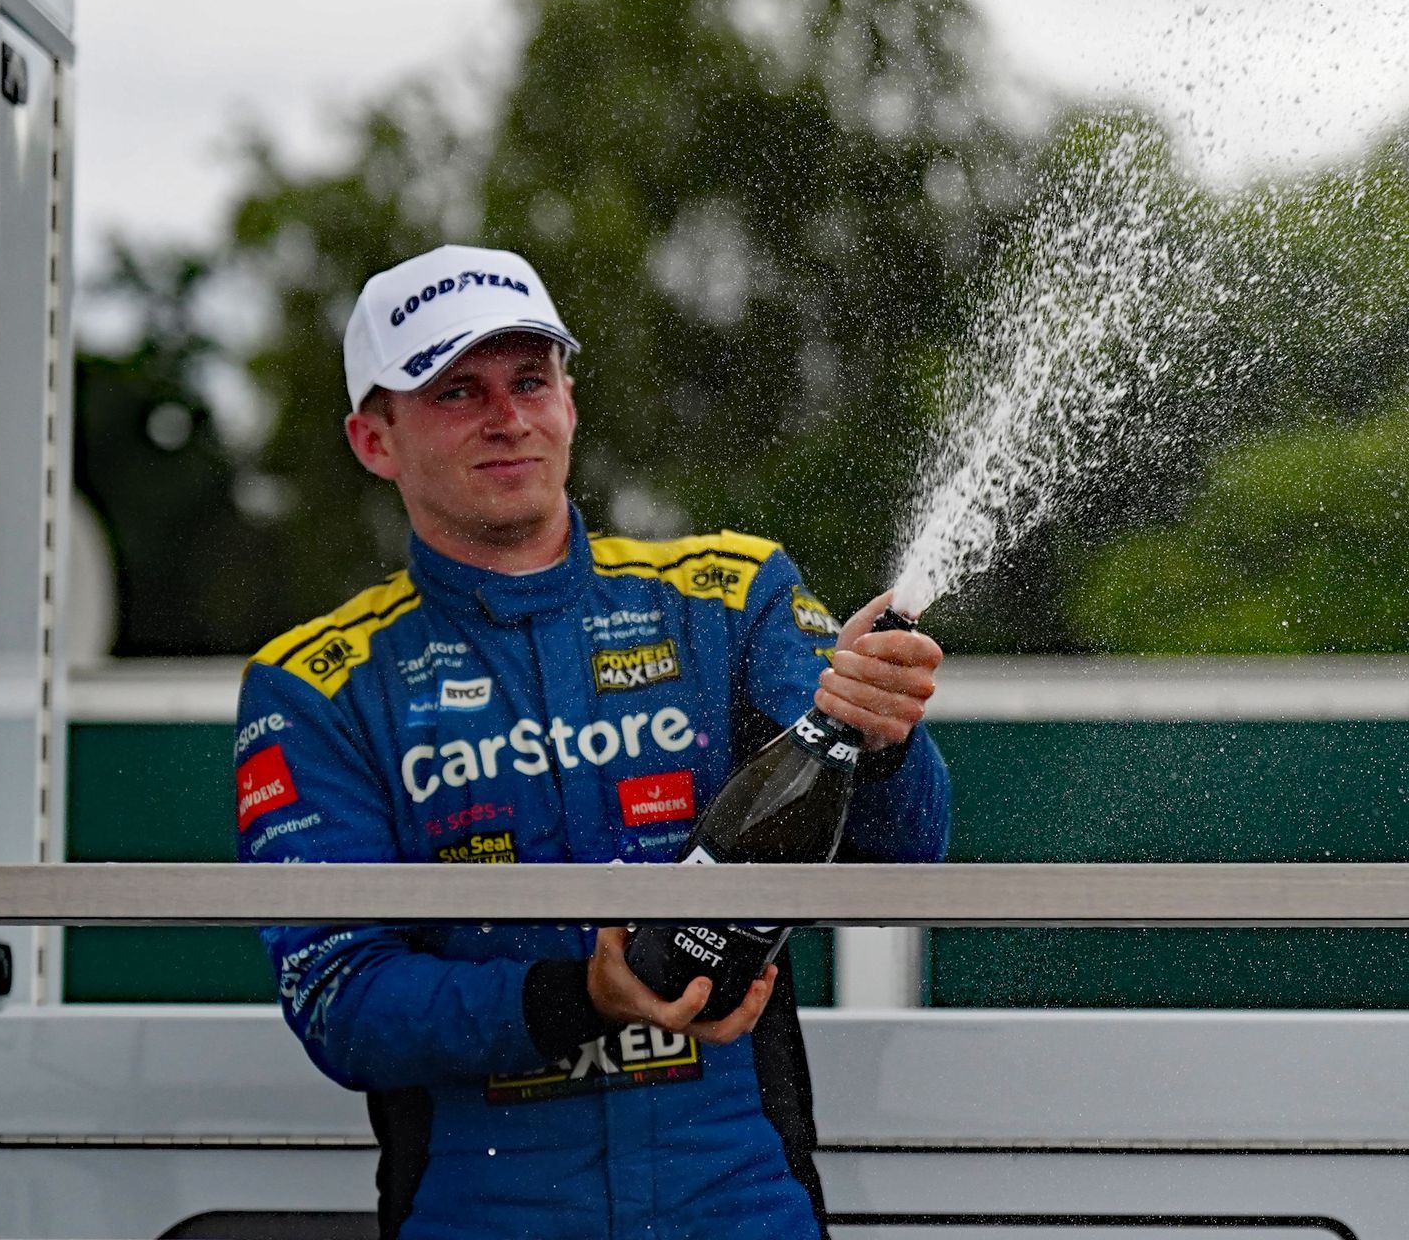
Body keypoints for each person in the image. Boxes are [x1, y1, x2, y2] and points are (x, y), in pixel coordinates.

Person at [234, 244, 951, 1240]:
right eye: (456, 391)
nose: (508, 416)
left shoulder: (729, 595)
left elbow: (902, 864)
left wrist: (881, 736)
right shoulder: (316, 684)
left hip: (740, 1202)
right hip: (477, 1214)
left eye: (532, 379)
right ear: (374, 439)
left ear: (571, 400)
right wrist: (580, 995)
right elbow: (342, 1001)